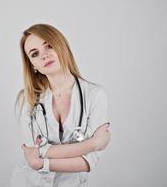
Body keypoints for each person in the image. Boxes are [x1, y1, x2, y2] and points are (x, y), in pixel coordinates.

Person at [10, 23, 111, 187]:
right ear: (33, 66)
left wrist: (42, 161)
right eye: (35, 54)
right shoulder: (26, 98)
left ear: (62, 46)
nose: (44, 56)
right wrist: (93, 144)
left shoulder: (95, 95)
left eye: (48, 46)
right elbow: (32, 155)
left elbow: (87, 162)